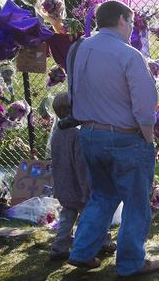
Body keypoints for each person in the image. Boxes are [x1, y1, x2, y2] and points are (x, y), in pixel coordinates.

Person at [66, 0, 159, 277]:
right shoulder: (128, 54)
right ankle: (131, 263)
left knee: (102, 196)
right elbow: (144, 104)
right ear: (122, 19)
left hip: (88, 134)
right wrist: (148, 137)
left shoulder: (78, 49)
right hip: (124, 137)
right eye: (131, 22)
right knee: (135, 202)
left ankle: (82, 252)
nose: (132, 28)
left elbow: (72, 92)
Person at [49, 92, 115, 261]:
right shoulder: (77, 135)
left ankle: (59, 247)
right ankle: (103, 243)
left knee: (67, 216)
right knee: (94, 215)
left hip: (63, 184)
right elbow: (81, 165)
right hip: (79, 185)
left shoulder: (57, 133)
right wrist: (87, 187)